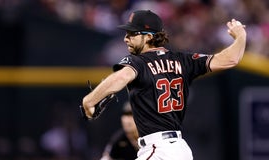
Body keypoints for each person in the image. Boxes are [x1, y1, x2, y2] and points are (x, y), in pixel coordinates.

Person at [82, 10, 246, 160]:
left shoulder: (137, 62)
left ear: (148, 36)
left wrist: (89, 101)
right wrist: (241, 36)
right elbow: (231, 59)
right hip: (180, 150)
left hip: (157, 150)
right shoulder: (184, 60)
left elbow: (122, 77)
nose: (126, 38)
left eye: (132, 33)